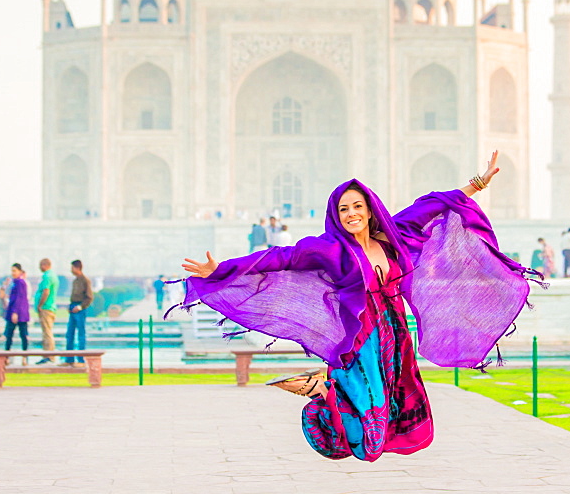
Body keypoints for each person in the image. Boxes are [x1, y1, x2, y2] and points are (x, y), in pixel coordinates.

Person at [177, 152, 543, 463]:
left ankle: (328, 388)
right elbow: (279, 257)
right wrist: (221, 270)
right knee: (369, 426)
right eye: (344, 209)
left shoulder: (391, 236)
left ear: (369, 211)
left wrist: (478, 183)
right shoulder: (329, 250)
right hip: (360, 338)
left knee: (396, 403)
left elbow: (430, 205)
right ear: (336, 215)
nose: (352, 213)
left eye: (357, 206)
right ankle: (323, 394)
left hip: (395, 333)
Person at [64, 260, 93, 365]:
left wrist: (80, 307)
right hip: (73, 307)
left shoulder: (85, 281)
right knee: (69, 334)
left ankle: (81, 359)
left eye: (72, 268)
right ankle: (69, 359)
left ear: (77, 268)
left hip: (80, 309)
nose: (71, 270)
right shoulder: (75, 281)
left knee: (81, 334)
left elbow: (89, 298)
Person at [4, 263, 30, 364]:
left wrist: (15, 312)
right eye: (12, 271)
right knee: (9, 335)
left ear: (20, 271)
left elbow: (19, 298)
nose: (13, 273)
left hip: (19, 312)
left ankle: (24, 357)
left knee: (23, 335)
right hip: (14, 311)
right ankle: (6, 356)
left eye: (15, 271)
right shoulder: (14, 282)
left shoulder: (20, 282)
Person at [35, 258, 59, 364]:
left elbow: (46, 291)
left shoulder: (47, 276)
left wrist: (40, 305)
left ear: (45, 265)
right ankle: (48, 355)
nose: (39, 268)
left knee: (47, 333)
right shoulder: (53, 276)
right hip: (51, 307)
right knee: (47, 331)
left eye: (40, 265)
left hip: (46, 307)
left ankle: (49, 355)